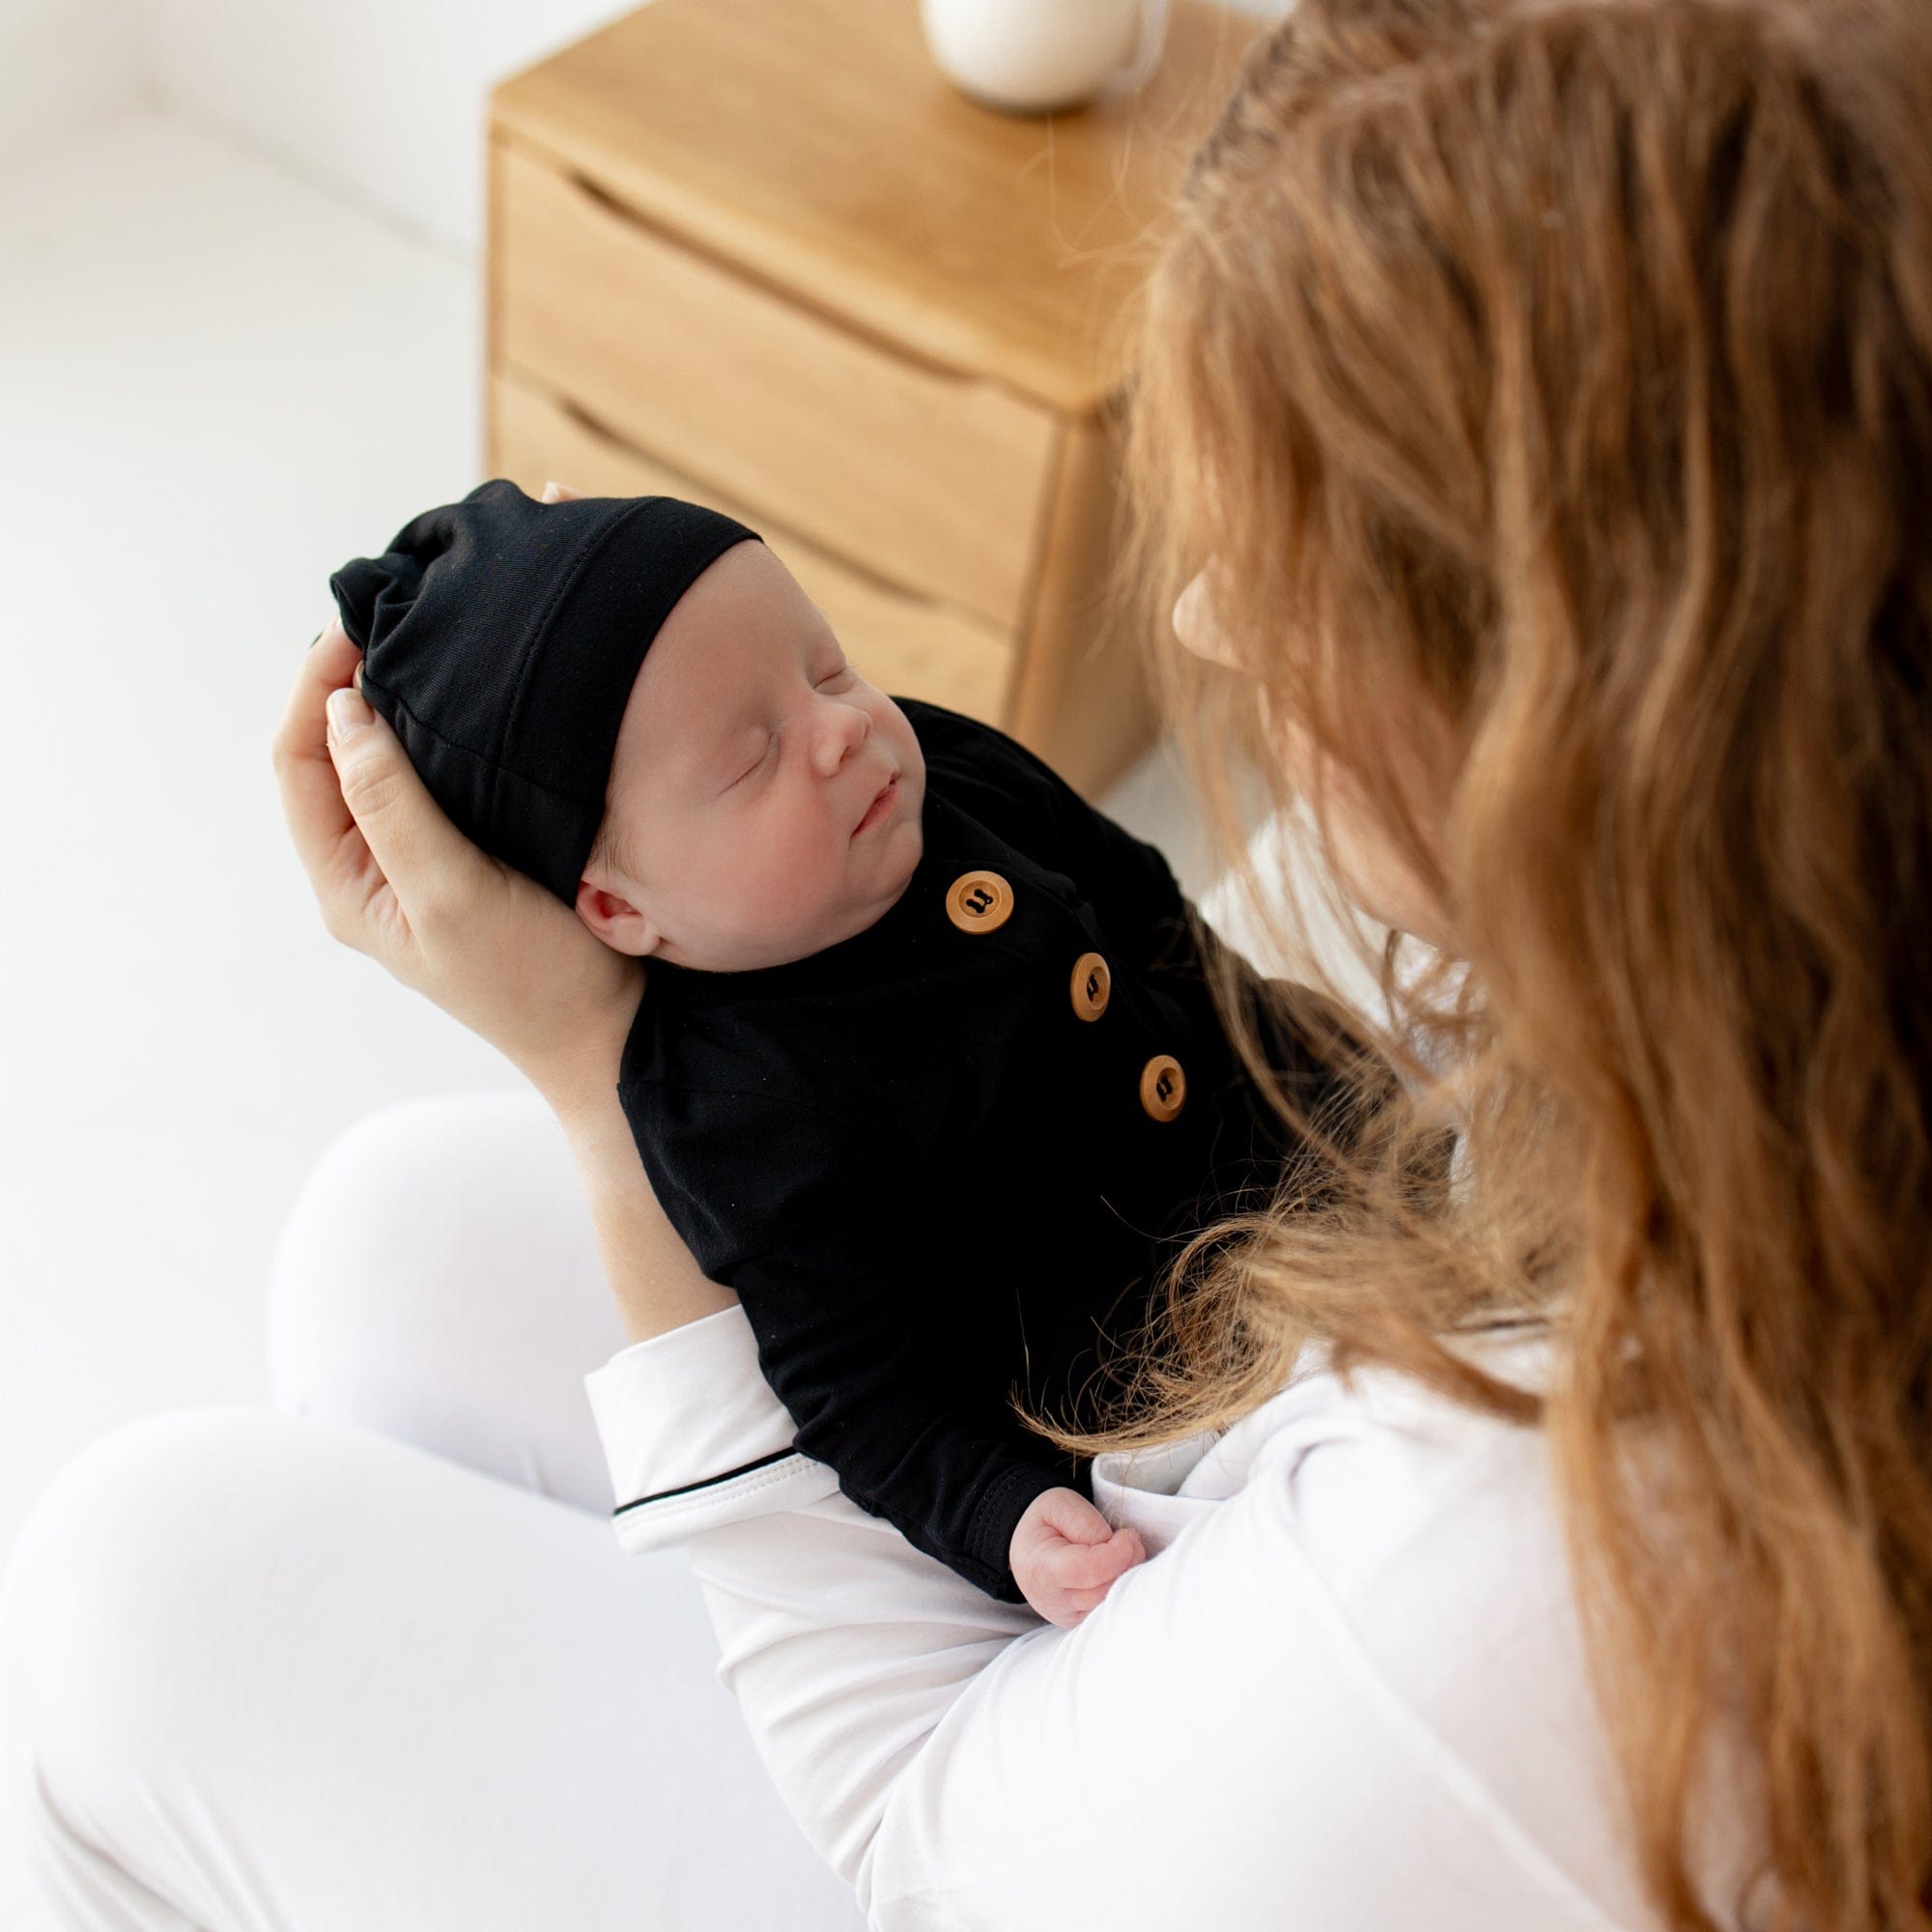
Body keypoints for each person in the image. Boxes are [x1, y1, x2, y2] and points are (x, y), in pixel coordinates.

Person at [4, 0, 1928, 1927]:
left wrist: (609, 1101)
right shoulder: (1780, 998)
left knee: (126, 1582)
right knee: (381, 1234)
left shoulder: (1545, 1569)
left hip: (1041, 1743)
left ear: (1590, 717)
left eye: (1315, 559)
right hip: (1185, 1398)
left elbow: (925, 1852)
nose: (1196, 609)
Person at [322, 477, 1376, 1619]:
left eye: (825, 666)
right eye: (747, 759)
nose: (841, 729)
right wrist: (1001, 1513)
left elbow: (1141, 901)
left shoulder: (931, 765)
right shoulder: (730, 1106)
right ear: (618, 909)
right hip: (1158, 1385)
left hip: (1298, 1131)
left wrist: (1286, 1046)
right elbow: (860, 1392)